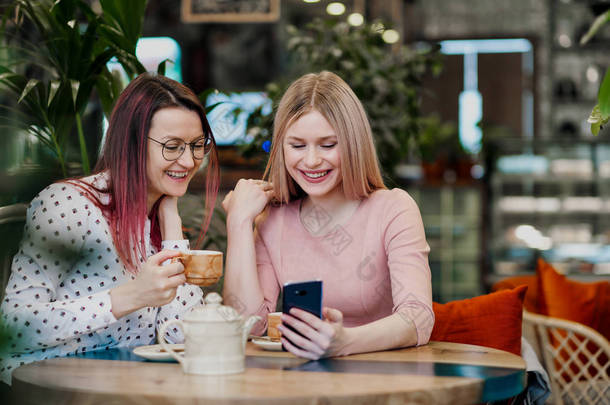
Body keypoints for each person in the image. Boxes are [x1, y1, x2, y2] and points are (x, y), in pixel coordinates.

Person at [0, 73, 219, 384]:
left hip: (120, 387)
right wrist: (128, 297)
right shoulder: (69, 204)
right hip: (45, 386)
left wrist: (172, 229)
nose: (188, 161)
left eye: (197, 145)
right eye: (172, 147)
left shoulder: (160, 215)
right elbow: (15, 326)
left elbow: (179, 340)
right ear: (131, 142)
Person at [222, 71, 433, 360]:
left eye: (328, 145)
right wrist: (239, 222)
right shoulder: (274, 220)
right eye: (297, 146)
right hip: (304, 386)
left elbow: (418, 318)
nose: (310, 160)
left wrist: (345, 342)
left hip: (384, 380)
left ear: (353, 143)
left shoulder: (394, 209)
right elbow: (248, 326)